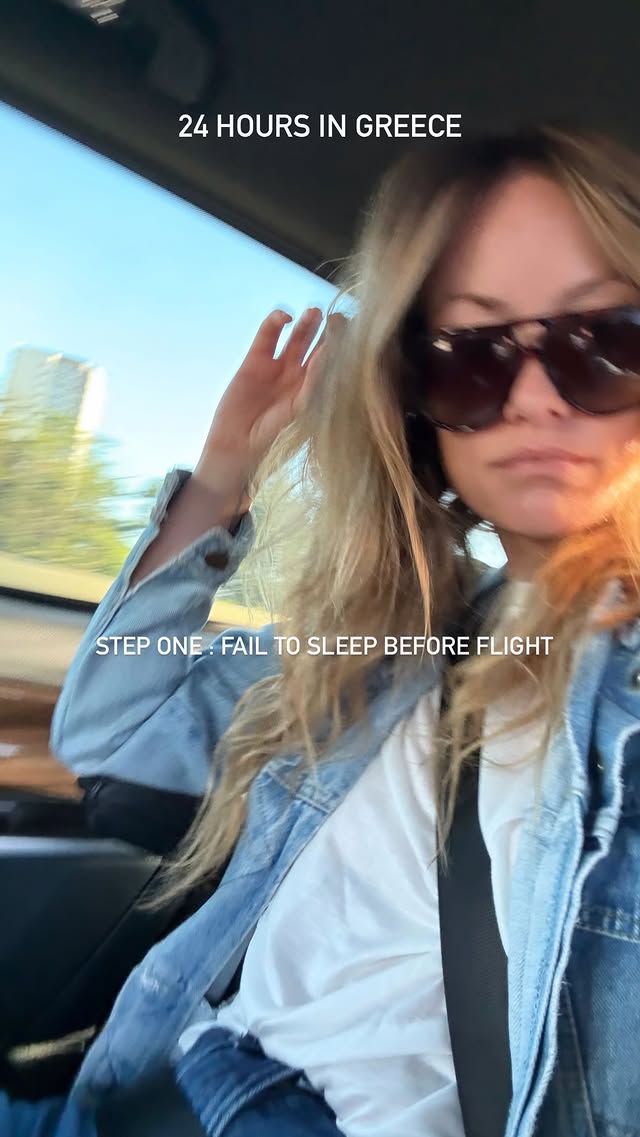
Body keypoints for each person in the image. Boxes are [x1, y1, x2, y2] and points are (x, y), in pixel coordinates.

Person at [4, 122, 640, 1136]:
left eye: (607, 339)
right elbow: (115, 727)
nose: (532, 398)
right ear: (414, 401)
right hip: (161, 1089)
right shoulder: (400, 645)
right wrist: (224, 475)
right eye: (471, 358)